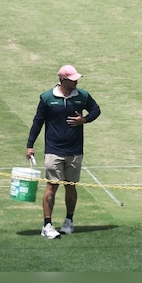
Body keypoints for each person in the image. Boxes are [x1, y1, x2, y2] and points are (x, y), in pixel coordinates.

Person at [26, 64, 101, 239]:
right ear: (62, 80)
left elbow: (96, 110)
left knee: (71, 186)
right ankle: (47, 225)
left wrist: (85, 119)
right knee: (52, 186)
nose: (76, 81)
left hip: (75, 150)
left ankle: (69, 221)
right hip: (54, 150)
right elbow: (38, 121)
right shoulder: (47, 98)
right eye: (72, 79)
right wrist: (30, 145)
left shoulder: (81, 95)